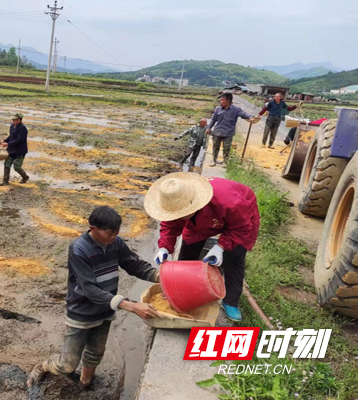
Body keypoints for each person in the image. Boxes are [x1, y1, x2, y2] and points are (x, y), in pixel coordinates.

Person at [27, 206, 161, 389]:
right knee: (68, 363)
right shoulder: (79, 249)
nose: (114, 235)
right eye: (110, 232)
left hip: (106, 308)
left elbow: (134, 264)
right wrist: (130, 306)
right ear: (92, 228)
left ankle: (85, 382)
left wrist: (159, 276)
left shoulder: (117, 243)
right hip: (82, 311)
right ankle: (43, 366)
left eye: (117, 231)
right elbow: (89, 289)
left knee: (96, 351)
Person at [144, 172, 260, 321]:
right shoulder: (175, 202)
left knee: (235, 257)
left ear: (193, 205)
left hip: (237, 218)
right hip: (202, 214)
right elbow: (169, 225)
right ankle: (182, 290)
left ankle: (231, 301)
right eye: (175, 215)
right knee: (188, 250)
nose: (177, 218)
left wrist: (220, 247)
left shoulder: (231, 203)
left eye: (181, 214)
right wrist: (164, 247)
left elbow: (241, 227)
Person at [206, 93, 255, 167]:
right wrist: (209, 128)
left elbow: (244, 114)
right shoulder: (218, 109)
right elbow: (213, 119)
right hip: (218, 131)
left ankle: (225, 161)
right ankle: (213, 160)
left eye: (222, 101)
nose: (221, 102)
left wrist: (250, 117)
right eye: (220, 101)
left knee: (226, 147)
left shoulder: (236, 110)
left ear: (228, 101)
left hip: (228, 132)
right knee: (215, 146)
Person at [0, 113, 29, 186]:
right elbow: (11, 136)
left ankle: (25, 177)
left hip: (20, 151)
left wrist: (7, 144)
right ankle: (5, 181)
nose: (14, 121)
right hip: (11, 149)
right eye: (13, 120)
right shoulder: (12, 126)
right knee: (7, 165)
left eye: (16, 120)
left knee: (17, 167)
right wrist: (4, 142)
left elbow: (19, 140)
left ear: (20, 120)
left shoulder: (23, 128)